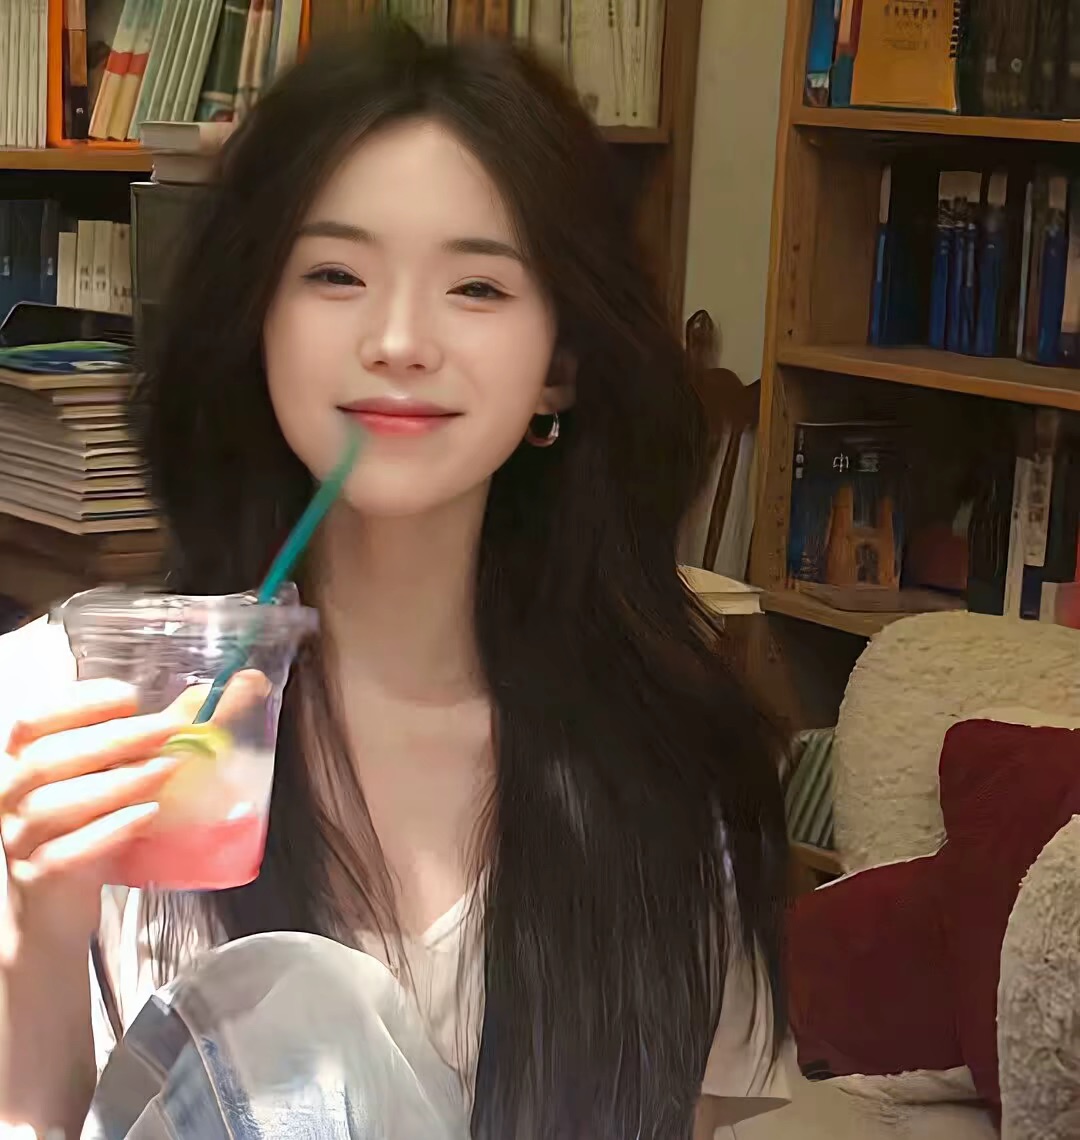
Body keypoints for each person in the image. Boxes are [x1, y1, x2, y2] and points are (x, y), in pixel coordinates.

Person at [0, 24, 793, 1140]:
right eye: (336, 274)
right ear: (256, 319)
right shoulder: (58, 712)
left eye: (477, 285)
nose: (401, 339)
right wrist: (37, 935)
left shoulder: (665, 761)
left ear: (560, 365)